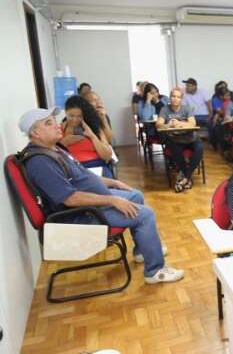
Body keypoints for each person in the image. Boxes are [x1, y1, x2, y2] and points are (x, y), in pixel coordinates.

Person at [18, 107, 183, 284]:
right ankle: (155, 271)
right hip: (81, 215)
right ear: (35, 132)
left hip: (92, 204)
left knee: (135, 195)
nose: (58, 125)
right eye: (49, 123)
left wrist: (113, 183)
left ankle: (142, 250)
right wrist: (113, 199)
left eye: (54, 120)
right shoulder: (41, 163)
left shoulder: (54, 149)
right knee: (146, 214)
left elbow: (82, 177)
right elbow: (70, 198)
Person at [156, 89, 203, 193]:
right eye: (173, 96)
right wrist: (168, 125)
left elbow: (193, 123)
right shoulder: (165, 109)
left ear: (181, 99)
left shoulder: (187, 108)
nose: (175, 99)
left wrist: (180, 123)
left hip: (191, 138)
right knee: (175, 149)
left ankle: (186, 177)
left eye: (178, 97)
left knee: (200, 148)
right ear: (170, 97)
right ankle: (188, 178)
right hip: (175, 139)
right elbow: (158, 124)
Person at [60, 96, 115, 178]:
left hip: (96, 166)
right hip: (72, 168)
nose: (75, 120)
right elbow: (51, 155)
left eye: (79, 116)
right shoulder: (58, 129)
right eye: (71, 116)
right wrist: (64, 143)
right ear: (65, 112)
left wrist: (92, 136)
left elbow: (107, 156)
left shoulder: (94, 128)